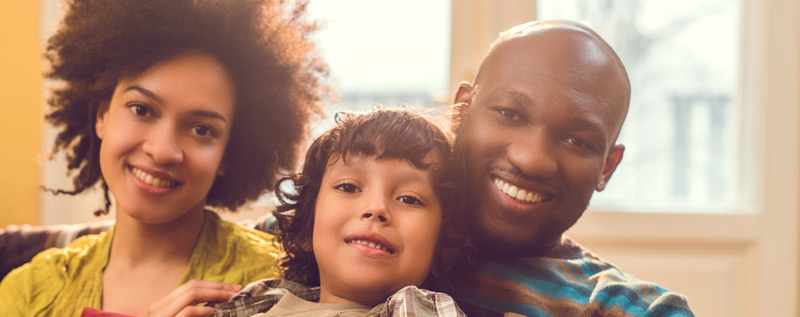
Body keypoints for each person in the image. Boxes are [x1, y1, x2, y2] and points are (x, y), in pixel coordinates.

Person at [0, 0, 329, 316]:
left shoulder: (280, 284)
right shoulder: (29, 290)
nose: (162, 150)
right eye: (141, 109)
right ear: (102, 115)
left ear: (229, 153)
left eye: (201, 129)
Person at [444, 20, 695, 316]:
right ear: (462, 112)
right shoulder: (387, 247)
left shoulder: (635, 310)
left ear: (607, 167)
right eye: (509, 113)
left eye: (577, 140)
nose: (532, 159)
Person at [212, 107, 471, 316]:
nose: (376, 208)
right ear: (305, 228)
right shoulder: (257, 298)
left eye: (409, 199)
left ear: (441, 248)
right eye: (348, 186)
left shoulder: (419, 309)